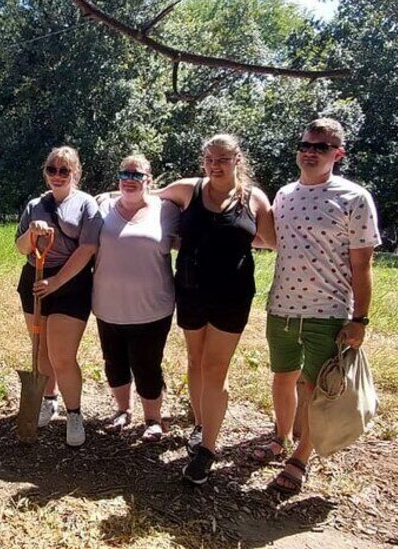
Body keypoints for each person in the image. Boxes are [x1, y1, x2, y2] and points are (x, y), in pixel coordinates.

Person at [256, 118, 381, 495]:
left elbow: (363, 265)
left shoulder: (354, 198)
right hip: (281, 306)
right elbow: (272, 241)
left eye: (321, 147)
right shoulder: (283, 195)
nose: (310, 152)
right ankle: (280, 436)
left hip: (328, 312)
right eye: (306, 144)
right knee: (283, 377)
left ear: (337, 155)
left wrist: (360, 319)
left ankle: (301, 455)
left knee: (313, 386)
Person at [145, 134, 275, 484]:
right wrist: (107, 197)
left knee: (216, 368)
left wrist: (237, 239)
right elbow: (145, 198)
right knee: (196, 362)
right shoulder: (190, 189)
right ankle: (201, 426)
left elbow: (272, 241)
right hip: (190, 288)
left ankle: (207, 450)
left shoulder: (254, 199)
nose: (215, 165)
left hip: (232, 295)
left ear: (237, 159)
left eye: (222, 158)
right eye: (209, 159)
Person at [15, 146, 102, 448]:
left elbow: (87, 249)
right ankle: (47, 399)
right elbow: (21, 248)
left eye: (64, 170)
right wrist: (31, 235)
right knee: (40, 350)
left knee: (62, 355)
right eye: (52, 169)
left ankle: (74, 413)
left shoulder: (86, 205)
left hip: (71, 282)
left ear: (75, 173)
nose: (57, 175)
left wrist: (57, 281)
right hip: (34, 279)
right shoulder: (35, 205)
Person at [92, 154, 179, 442]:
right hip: (107, 304)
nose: (130, 179)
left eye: (137, 175)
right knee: (113, 360)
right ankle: (122, 410)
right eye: (125, 174)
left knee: (147, 363)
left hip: (153, 306)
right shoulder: (102, 206)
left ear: (149, 180)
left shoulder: (166, 210)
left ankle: (153, 419)